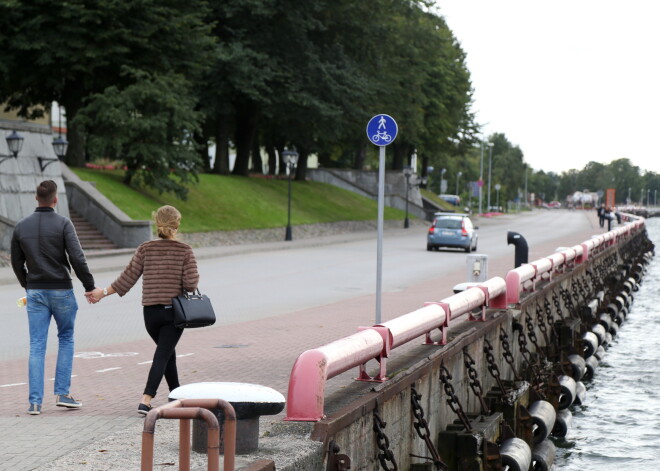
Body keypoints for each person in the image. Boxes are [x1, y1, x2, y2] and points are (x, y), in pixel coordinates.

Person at [88, 205, 199, 415]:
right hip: (172, 313)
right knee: (162, 354)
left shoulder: (145, 248)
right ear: (177, 224)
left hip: (150, 315)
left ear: (157, 222)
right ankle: (146, 399)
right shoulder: (185, 250)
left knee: (166, 353)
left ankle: (176, 393)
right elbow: (191, 285)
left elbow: (127, 278)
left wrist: (101, 293)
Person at [11, 180, 97, 415]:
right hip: (61, 289)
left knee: (36, 345)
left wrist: (27, 285)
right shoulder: (63, 223)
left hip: (36, 290)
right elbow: (77, 258)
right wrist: (89, 286)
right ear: (55, 199)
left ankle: (35, 402)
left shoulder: (21, 226)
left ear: (36, 198)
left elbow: (16, 262)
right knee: (66, 337)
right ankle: (63, 394)